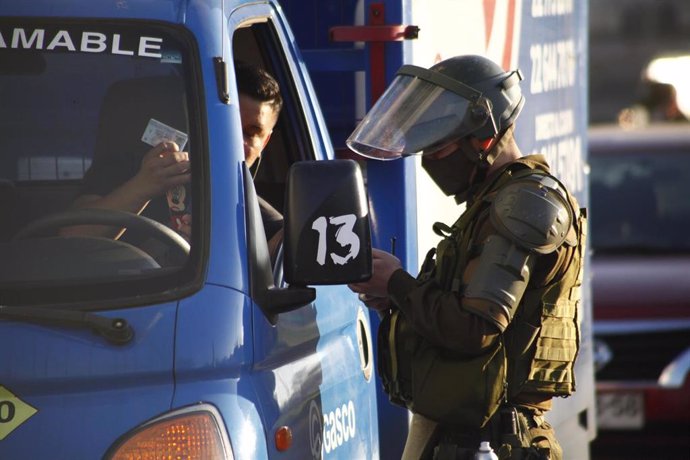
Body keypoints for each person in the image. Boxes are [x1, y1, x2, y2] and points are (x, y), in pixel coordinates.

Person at [346, 55, 586, 460]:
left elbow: (476, 329)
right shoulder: (492, 202)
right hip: (460, 438)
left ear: (484, 139)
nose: (427, 161)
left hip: (494, 443)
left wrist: (399, 285)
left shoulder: (525, 205)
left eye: (439, 148)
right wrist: (400, 299)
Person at [63, 60, 283, 246]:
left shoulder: (264, 224)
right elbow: (72, 241)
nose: (236, 142)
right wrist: (144, 186)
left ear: (265, 141)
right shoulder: (137, 170)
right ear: (199, 122)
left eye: (251, 133)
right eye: (228, 128)